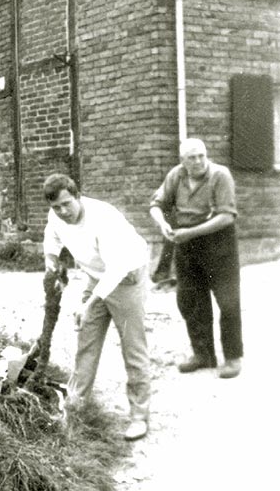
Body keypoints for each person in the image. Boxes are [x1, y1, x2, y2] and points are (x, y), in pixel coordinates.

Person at [43, 173, 150, 441]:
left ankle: (139, 416)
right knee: (86, 342)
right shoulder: (56, 215)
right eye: (56, 207)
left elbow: (116, 268)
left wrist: (89, 303)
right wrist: (51, 262)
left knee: (132, 346)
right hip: (96, 275)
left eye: (67, 204)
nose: (62, 211)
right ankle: (76, 407)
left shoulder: (103, 218)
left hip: (125, 276)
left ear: (77, 196)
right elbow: (52, 237)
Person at [150, 138, 243, 378]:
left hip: (219, 244)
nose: (198, 161)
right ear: (183, 160)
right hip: (186, 245)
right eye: (192, 157)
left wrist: (188, 233)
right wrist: (162, 225)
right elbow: (156, 205)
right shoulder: (176, 175)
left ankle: (233, 358)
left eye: (201, 155)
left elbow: (227, 216)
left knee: (228, 302)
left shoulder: (220, 175)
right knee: (190, 300)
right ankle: (203, 355)